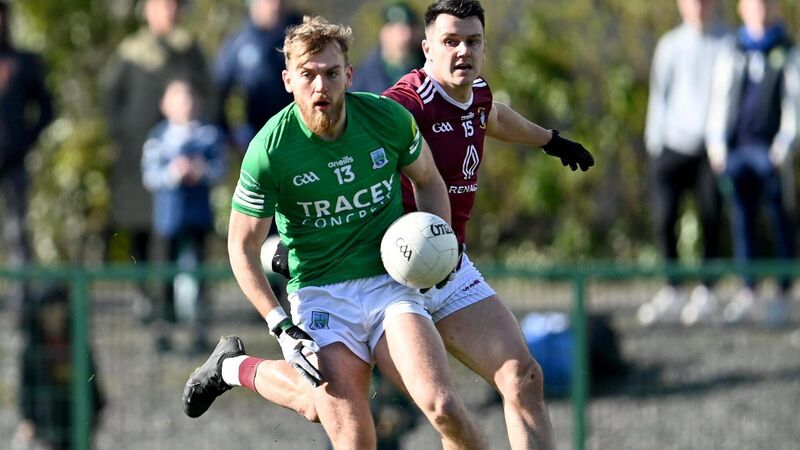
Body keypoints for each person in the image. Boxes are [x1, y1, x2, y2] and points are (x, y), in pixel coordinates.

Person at [188, 2, 595, 449]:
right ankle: (233, 367)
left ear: (348, 74)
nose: (463, 51)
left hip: (417, 272)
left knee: (491, 388)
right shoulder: (390, 108)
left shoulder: (462, 96)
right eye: (451, 41)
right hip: (343, 285)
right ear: (426, 48)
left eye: (472, 41)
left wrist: (549, 140)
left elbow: (486, 120)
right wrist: (281, 312)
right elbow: (243, 243)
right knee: (335, 421)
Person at [102, 0, 211, 314]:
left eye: (173, 6)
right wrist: (127, 134)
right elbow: (111, 99)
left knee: (179, 235)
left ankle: (179, 307)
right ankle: (145, 298)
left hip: (182, 163)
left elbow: (208, 93)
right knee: (140, 229)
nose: (168, 11)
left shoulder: (188, 51)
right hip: (138, 158)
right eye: (161, 5)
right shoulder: (131, 52)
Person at [637, 0, 730, 327]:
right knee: (665, 218)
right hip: (673, 145)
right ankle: (672, 288)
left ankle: (707, 290)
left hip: (712, 149)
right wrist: (656, 142)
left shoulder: (728, 43)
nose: (699, 6)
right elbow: (659, 95)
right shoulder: (670, 45)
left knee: (711, 217)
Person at [706, 0, 800, 326]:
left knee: (779, 220)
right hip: (738, 151)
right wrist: (717, 146)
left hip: (771, 154)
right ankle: (749, 289)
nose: (761, 8)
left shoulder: (787, 50)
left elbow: (793, 105)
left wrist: (782, 149)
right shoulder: (734, 49)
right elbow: (720, 100)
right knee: (742, 220)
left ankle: (784, 291)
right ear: (742, 8)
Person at [141, 78, 226, 353]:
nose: (185, 105)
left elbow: (220, 168)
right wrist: (173, 173)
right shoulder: (158, 136)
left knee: (199, 274)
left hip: (199, 216)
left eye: (189, 99)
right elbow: (150, 175)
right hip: (168, 218)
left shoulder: (208, 134)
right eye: (178, 100)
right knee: (164, 274)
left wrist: (201, 171)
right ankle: (163, 328)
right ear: (165, 105)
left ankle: (199, 329)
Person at [0, 0, 53, 323]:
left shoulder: (23, 62)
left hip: (13, 163)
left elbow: (46, 108)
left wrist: (24, 142)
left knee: (17, 232)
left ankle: (19, 304)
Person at [15, 284, 105, 450]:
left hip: (77, 417)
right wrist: (27, 418)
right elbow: (26, 387)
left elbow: (92, 378)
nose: (54, 317)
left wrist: (98, 407)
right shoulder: (33, 349)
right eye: (49, 311)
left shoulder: (78, 344)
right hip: (47, 422)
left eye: (59, 310)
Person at [213, 0, 302, 150]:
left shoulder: (303, 37)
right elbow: (217, 90)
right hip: (258, 138)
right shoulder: (239, 43)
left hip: (300, 134)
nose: (276, 6)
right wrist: (228, 134)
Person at [350, 2, 424, 94]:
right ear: (384, 32)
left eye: (411, 28)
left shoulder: (430, 70)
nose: (407, 36)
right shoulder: (361, 77)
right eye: (400, 30)